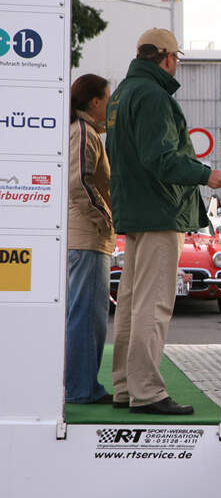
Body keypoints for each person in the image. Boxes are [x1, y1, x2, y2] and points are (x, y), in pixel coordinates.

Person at [106, 28, 221, 414]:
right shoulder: (153, 97)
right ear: (165, 56)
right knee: (154, 305)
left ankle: (126, 387)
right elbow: (160, 157)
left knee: (130, 302)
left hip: (136, 212)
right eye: (176, 57)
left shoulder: (121, 95)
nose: (176, 63)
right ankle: (147, 392)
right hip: (160, 212)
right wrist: (204, 173)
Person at [65, 74, 114, 404]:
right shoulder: (83, 134)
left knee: (86, 314)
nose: (110, 107)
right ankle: (82, 390)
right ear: (94, 102)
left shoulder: (85, 132)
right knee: (86, 316)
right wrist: (105, 219)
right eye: (108, 100)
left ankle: (82, 386)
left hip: (86, 237)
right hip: (87, 237)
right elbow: (78, 182)